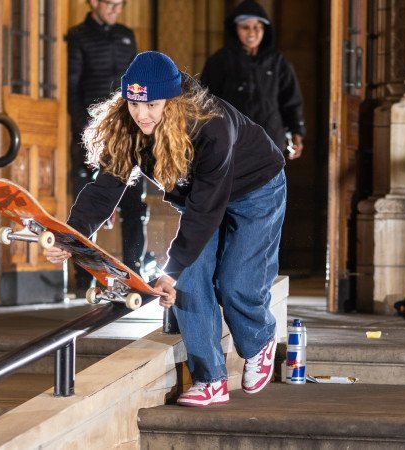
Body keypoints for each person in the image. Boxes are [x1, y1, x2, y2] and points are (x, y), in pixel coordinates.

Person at [44, 51, 287, 407]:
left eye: (153, 105)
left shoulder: (211, 126)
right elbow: (105, 187)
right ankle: (210, 379)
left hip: (256, 190)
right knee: (189, 282)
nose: (142, 115)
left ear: (172, 101)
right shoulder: (128, 127)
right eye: (134, 103)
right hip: (201, 200)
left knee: (236, 282)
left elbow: (205, 210)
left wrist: (171, 269)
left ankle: (259, 340)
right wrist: (72, 235)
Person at [66, 0, 148, 296]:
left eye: (120, 4)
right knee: (89, 202)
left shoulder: (126, 34)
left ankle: (134, 270)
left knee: (134, 203)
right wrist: (85, 126)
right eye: (110, 4)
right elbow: (71, 88)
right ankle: (84, 277)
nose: (115, 9)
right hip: (90, 133)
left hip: (125, 130)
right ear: (93, 3)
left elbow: (136, 84)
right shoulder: (77, 35)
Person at [200, 0, 305, 160]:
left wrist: (297, 131)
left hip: (271, 140)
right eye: (245, 27)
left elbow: (290, 100)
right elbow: (206, 102)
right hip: (232, 141)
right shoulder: (219, 61)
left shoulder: (277, 62)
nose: (252, 33)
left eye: (257, 27)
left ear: (265, 29)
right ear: (235, 29)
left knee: (269, 183)